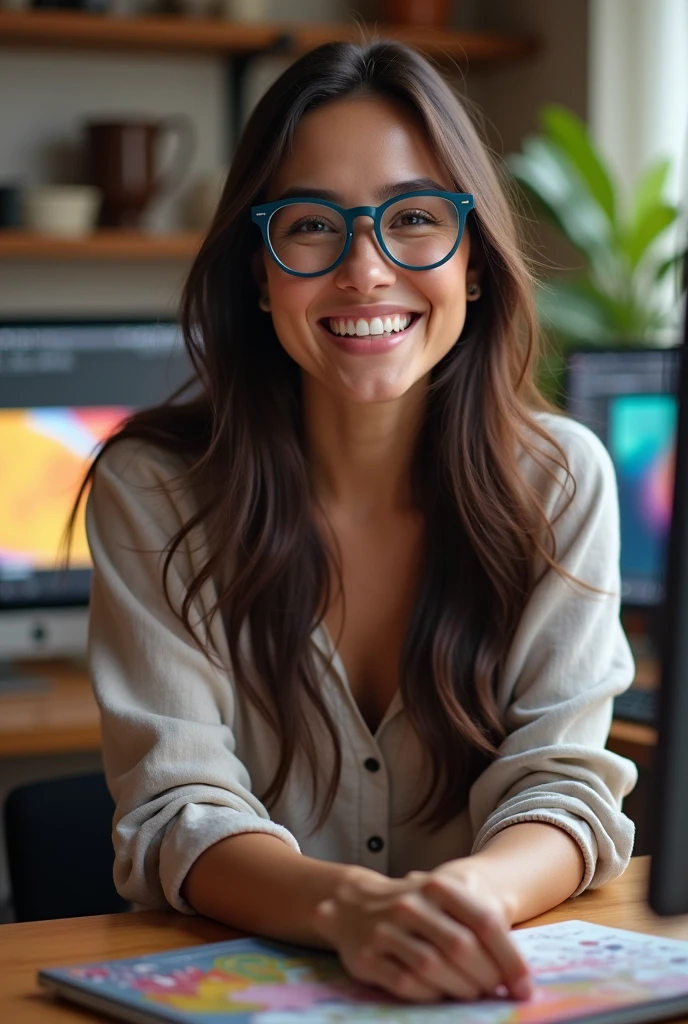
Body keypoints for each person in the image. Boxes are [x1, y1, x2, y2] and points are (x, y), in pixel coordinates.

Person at [80, 40, 637, 1006]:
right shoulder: (158, 488)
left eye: (416, 218)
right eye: (309, 227)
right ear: (259, 273)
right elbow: (179, 808)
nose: (366, 270)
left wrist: (457, 900)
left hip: (483, 984)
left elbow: (566, 786)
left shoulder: (561, 481)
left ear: (472, 263)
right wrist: (350, 911)